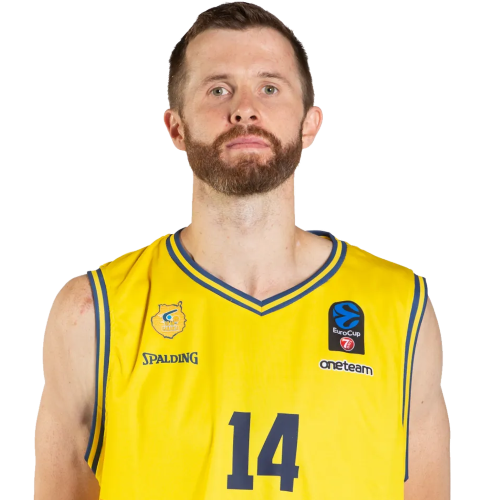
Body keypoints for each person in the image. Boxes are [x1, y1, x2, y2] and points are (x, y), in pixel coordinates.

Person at [34, 2, 451, 499]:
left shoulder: (401, 308)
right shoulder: (92, 313)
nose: (245, 109)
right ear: (175, 127)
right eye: (219, 89)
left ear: (310, 123)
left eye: (269, 88)